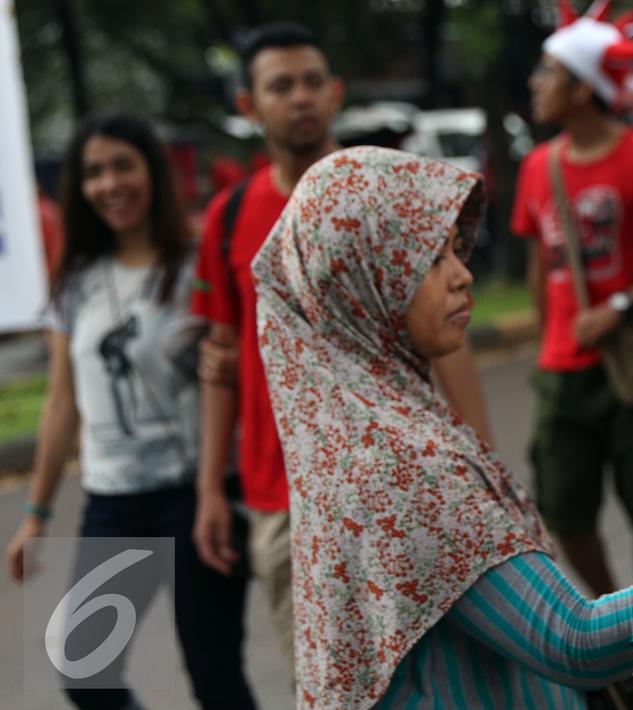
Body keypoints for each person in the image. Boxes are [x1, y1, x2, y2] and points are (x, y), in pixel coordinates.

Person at [251, 145, 633, 709]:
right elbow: (573, 639)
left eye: (455, 252)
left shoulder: (362, 420)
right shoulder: (396, 459)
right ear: (361, 279)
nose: (463, 275)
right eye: (431, 259)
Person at [191, 21, 496, 670]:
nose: (298, 98)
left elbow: (449, 332)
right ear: (248, 106)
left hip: (403, 486)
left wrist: (484, 457)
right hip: (286, 499)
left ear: (335, 94)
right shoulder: (227, 216)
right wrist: (212, 490)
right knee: (336, 678)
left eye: (310, 83)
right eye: (280, 87)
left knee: (442, 670)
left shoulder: (380, 196)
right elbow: (219, 363)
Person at [4, 113, 256, 710]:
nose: (109, 183)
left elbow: (239, 363)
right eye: (93, 172)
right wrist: (36, 512)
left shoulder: (199, 261)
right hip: (115, 502)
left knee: (214, 674)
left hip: (200, 495)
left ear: (153, 172)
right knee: (87, 673)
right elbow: (62, 400)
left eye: (123, 165)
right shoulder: (76, 279)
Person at [510, 4, 633, 693]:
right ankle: (617, 622)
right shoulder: (537, 167)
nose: (535, 84)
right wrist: (545, 337)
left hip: (630, 371)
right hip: (564, 373)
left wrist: (617, 306)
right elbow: (537, 266)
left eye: (547, 73)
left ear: (581, 88)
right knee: (562, 512)